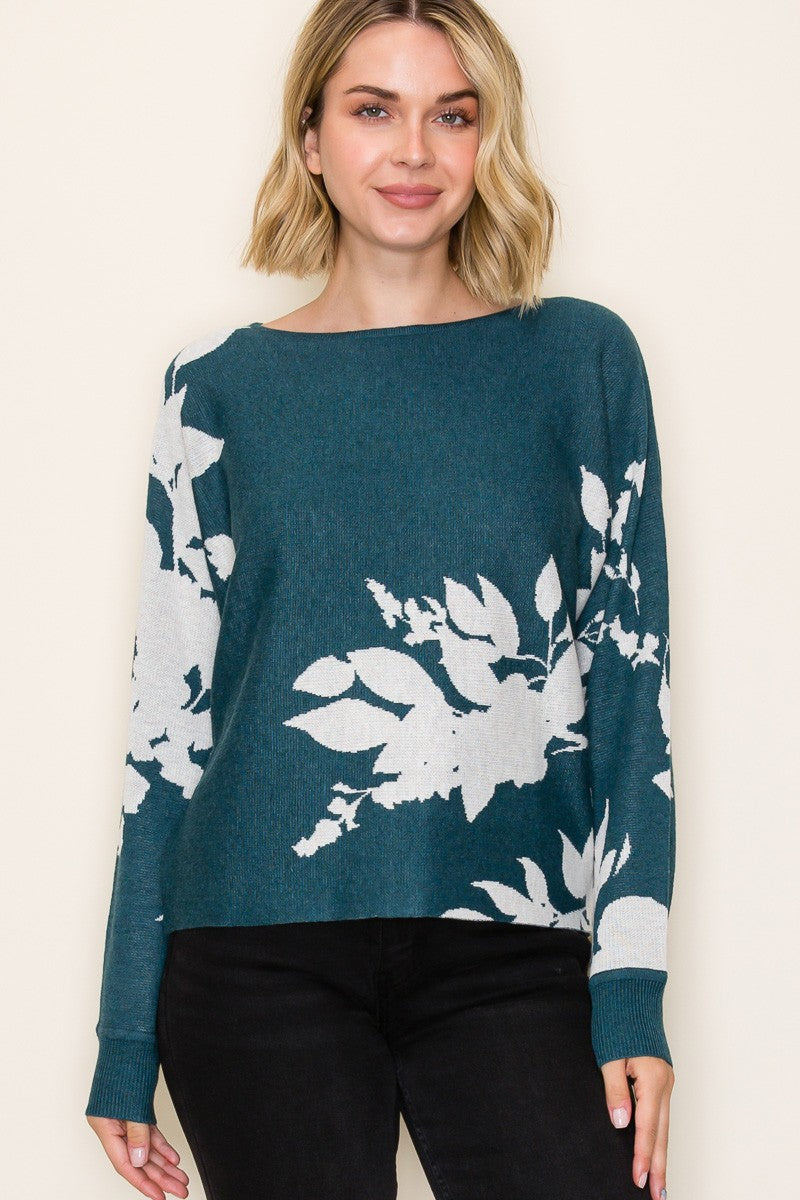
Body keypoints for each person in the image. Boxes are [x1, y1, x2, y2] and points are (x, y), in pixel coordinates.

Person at [85, 2, 676, 1198]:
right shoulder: (216, 390)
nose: (413, 151)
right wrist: (122, 1039)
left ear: (486, 139)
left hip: (515, 947)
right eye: (373, 110)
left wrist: (629, 986)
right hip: (251, 953)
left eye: (451, 115)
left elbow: (631, 692)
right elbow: (165, 732)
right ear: (309, 137)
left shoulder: (578, 361)